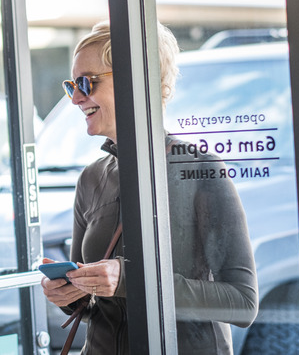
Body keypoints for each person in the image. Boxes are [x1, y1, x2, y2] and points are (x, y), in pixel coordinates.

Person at [41, 21, 258, 354]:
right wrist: (68, 295)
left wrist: (129, 280)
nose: (76, 99)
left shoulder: (199, 168)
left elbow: (242, 302)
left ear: (135, 82)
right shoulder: (90, 178)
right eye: (72, 86)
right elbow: (94, 304)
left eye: (87, 83)